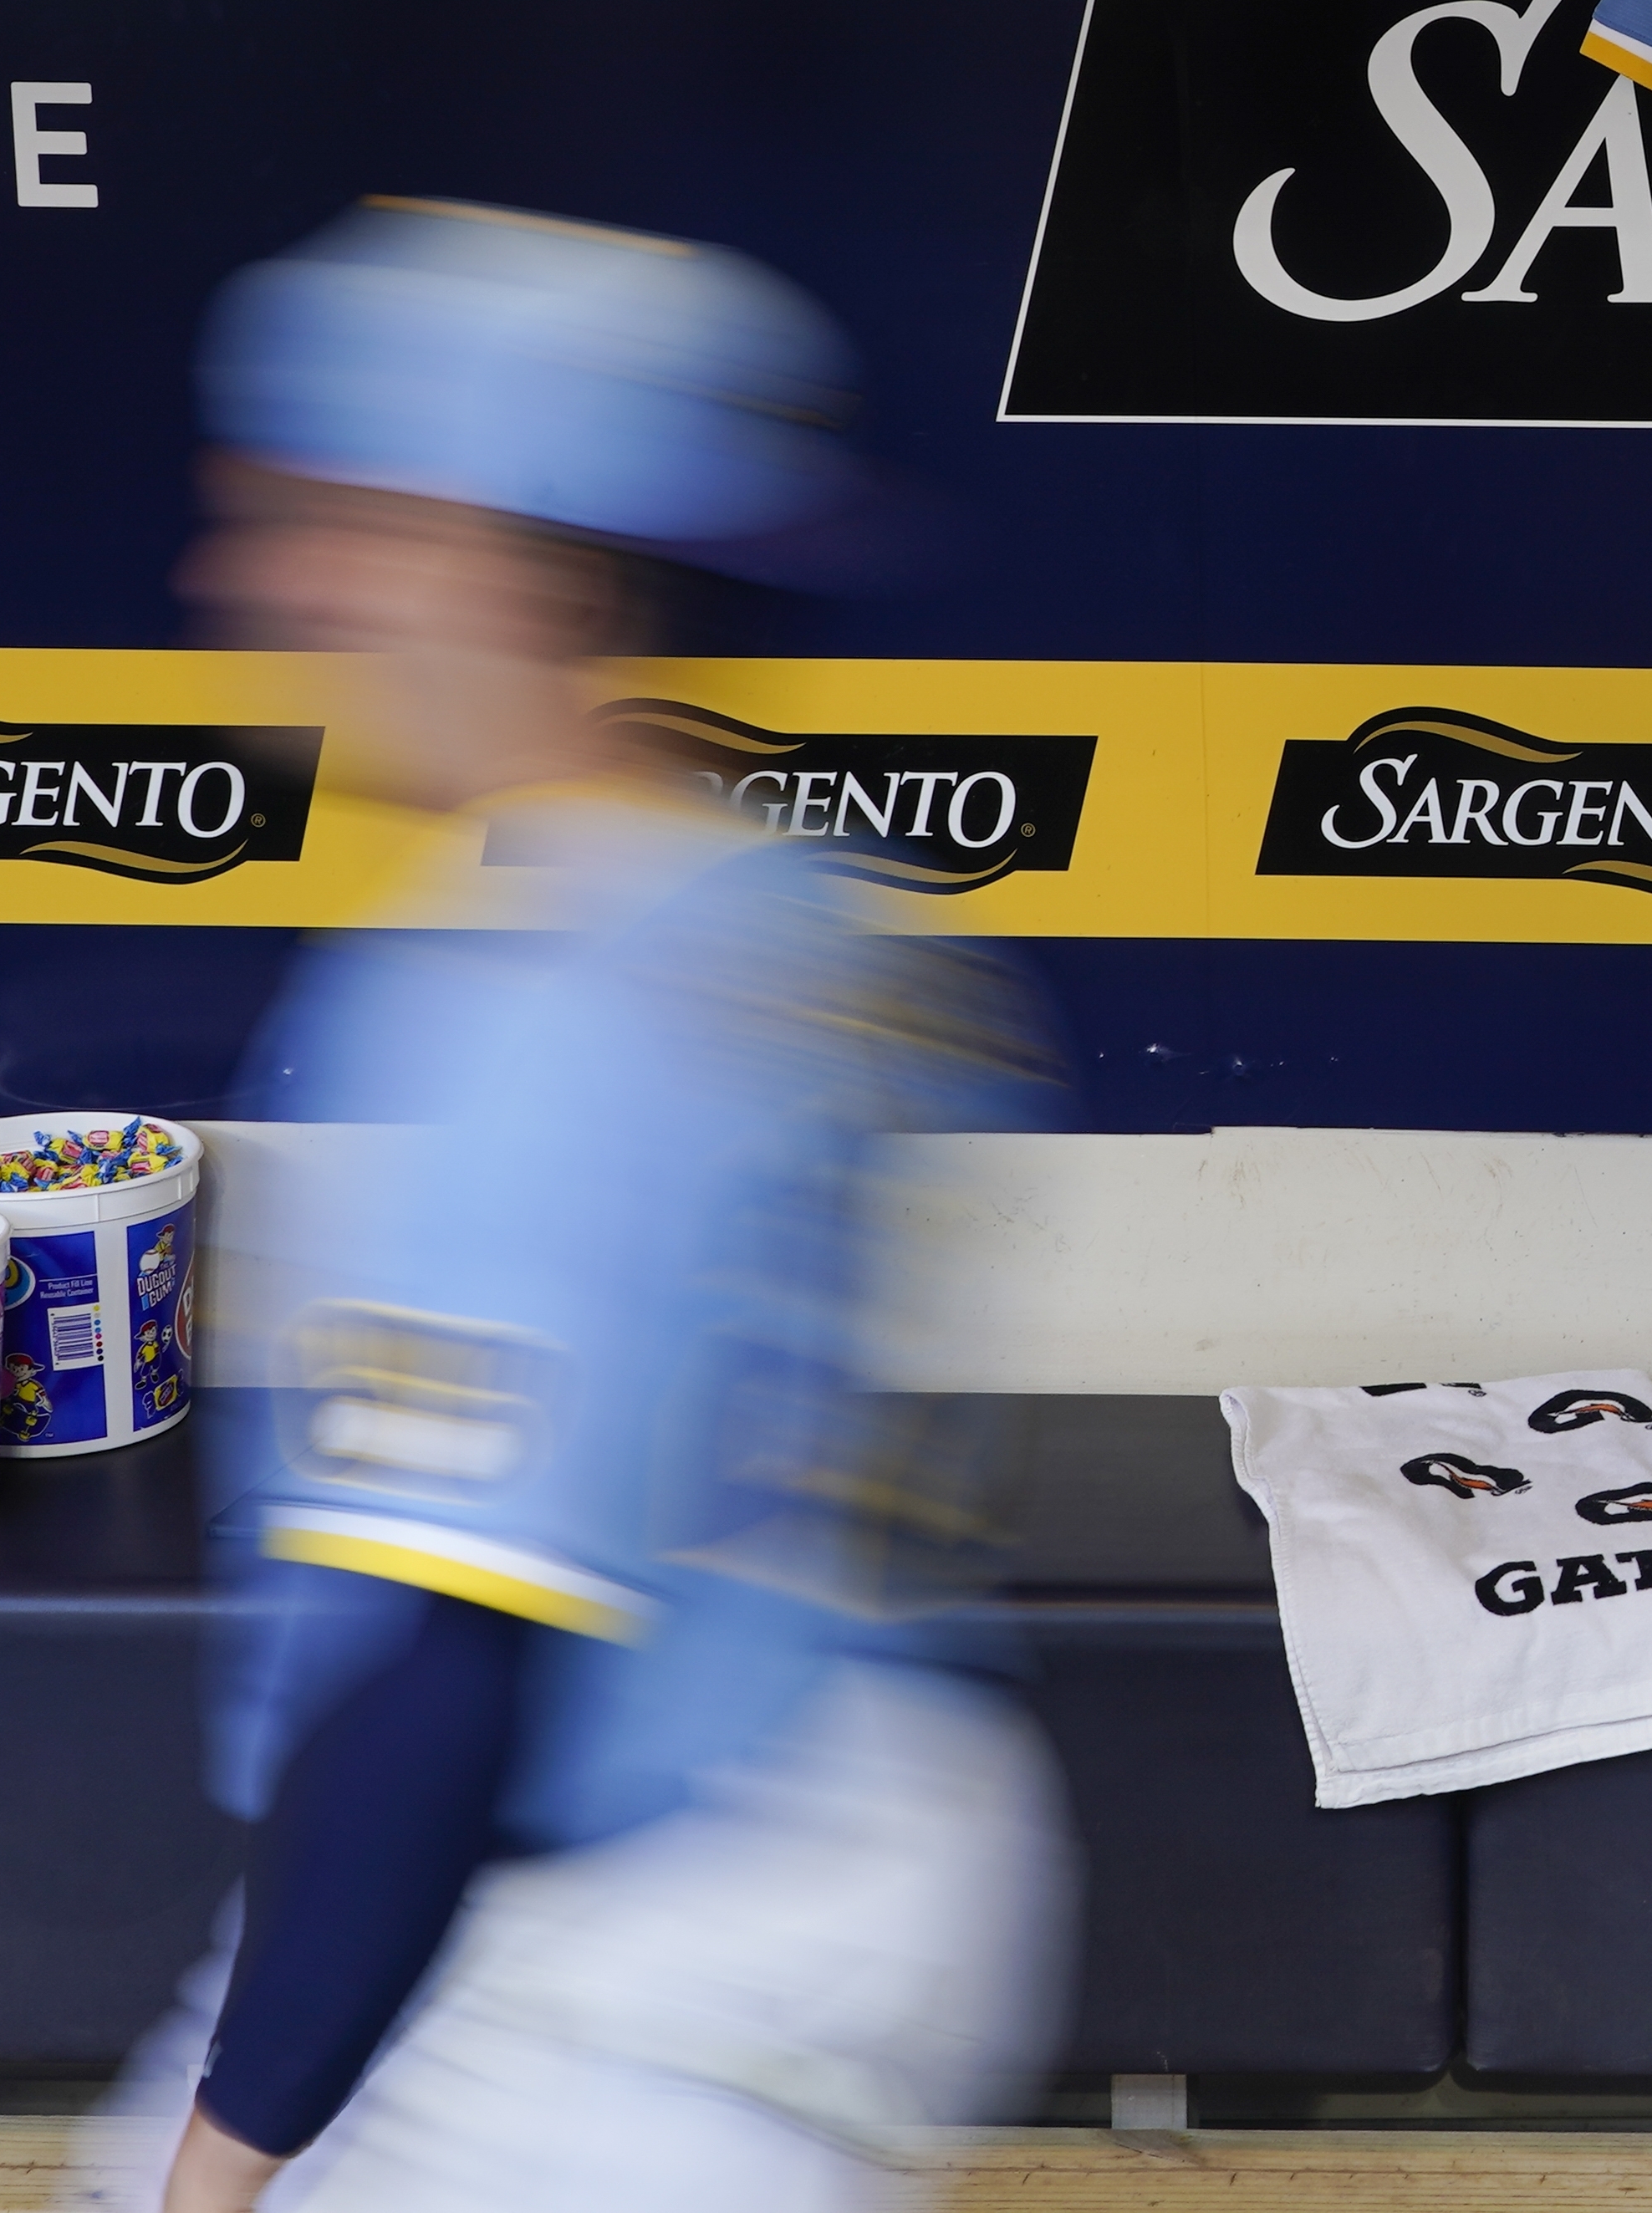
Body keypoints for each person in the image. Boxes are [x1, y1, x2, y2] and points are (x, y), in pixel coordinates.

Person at [109, 196, 1070, 2213]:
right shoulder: (789, 907)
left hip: (624, 1940)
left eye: (319, 512)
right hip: (866, 1785)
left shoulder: (537, 1003)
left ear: (503, 562)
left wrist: (223, 2165)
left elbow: (450, 1667)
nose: (250, 574)